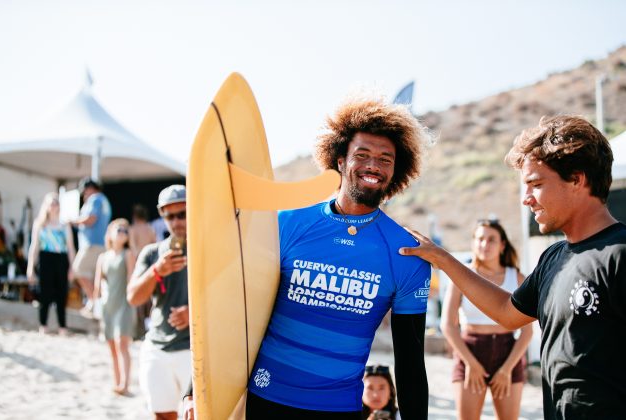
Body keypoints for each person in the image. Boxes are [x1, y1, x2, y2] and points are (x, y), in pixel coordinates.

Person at [400, 115, 626, 419]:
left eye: (535, 184)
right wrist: (442, 258)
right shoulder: (553, 258)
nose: (527, 200)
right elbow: (507, 312)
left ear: (577, 179)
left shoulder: (619, 254)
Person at [243, 96, 432, 419]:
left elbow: (411, 359)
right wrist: (196, 389)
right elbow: (237, 313)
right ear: (340, 161)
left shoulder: (406, 254)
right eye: (363, 155)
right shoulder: (287, 225)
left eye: (386, 159)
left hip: (339, 408)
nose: (374, 165)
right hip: (264, 397)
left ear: (396, 170)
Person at [441, 219, 532, 420]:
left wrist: (506, 369)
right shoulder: (462, 275)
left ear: (502, 245)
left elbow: (527, 331)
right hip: (470, 351)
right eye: (480, 239)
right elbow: (447, 325)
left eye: (491, 239)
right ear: (473, 243)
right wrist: (471, 363)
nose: (485, 244)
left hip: (508, 353)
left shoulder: (517, 278)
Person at [127, 185, 190, 420]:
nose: (176, 222)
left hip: (194, 349)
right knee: (162, 416)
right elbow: (133, 297)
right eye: (169, 215)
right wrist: (157, 271)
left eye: (182, 214)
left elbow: (228, 298)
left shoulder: (208, 250)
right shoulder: (152, 254)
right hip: (157, 346)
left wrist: (194, 314)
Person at [93, 218, 136, 395]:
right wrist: (94, 304)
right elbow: (98, 283)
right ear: (110, 233)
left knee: (122, 344)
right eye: (118, 229)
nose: (122, 233)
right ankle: (117, 381)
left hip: (124, 303)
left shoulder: (128, 255)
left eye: (125, 231)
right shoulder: (103, 257)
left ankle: (125, 384)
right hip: (107, 305)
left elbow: (132, 279)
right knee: (111, 345)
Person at [26, 192, 76, 335]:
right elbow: (34, 247)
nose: (54, 206)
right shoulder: (40, 224)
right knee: (45, 294)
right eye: (52, 203)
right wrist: (31, 267)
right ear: (46, 206)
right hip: (45, 259)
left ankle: (62, 327)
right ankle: (43, 325)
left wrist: (72, 267)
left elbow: (71, 248)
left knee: (62, 294)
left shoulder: (64, 225)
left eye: (56, 203)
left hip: (61, 260)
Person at [71, 177, 112, 313]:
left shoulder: (95, 199)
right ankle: (96, 303)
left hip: (92, 244)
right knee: (96, 276)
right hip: (100, 244)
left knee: (78, 270)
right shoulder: (104, 200)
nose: (84, 194)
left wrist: (73, 221)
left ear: (89, 188)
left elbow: (90, 220)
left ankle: (93, 300)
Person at [129, 203, 156, 338]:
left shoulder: (133, 229)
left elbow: (133, 249)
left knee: (139, 299)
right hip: (151, 265)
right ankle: (149, 328)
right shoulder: (150, 229)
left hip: (139, 265)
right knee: (151, 298)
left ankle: (140, 330)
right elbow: (155, 245)